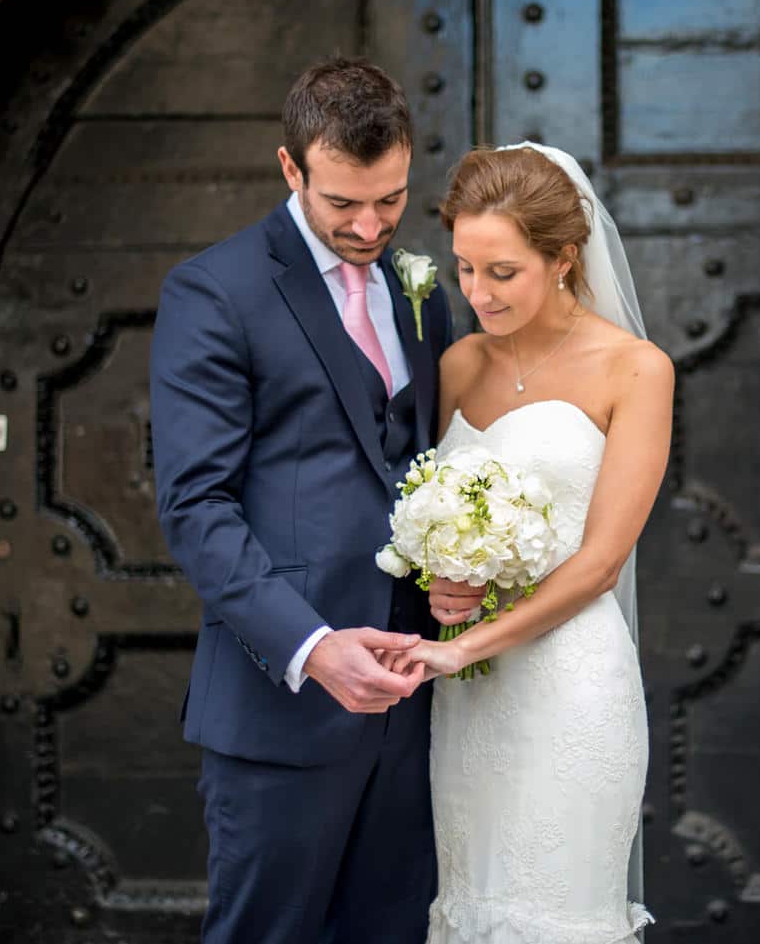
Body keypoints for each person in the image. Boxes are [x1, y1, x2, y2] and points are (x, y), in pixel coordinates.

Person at [149, 57, 453, 944]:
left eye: (390, 201)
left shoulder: (424, 294)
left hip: (416, 707)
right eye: (343, 203)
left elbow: (425, 462)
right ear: (291, 168)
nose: (369, 226)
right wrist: (313, 648)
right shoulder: (215, 291)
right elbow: (195, 504)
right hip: (280, 708)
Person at [387, 144, 674, 943]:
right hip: (472, 699)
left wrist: (461, 643)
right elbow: (434, 507)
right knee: (470, 912)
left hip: (569, 685)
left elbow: (601, 561)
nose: (477, 293)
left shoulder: (636, 370)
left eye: (502, 272)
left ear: (563, 259)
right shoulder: (457, 363)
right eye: (465, 269)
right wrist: (442, 583)